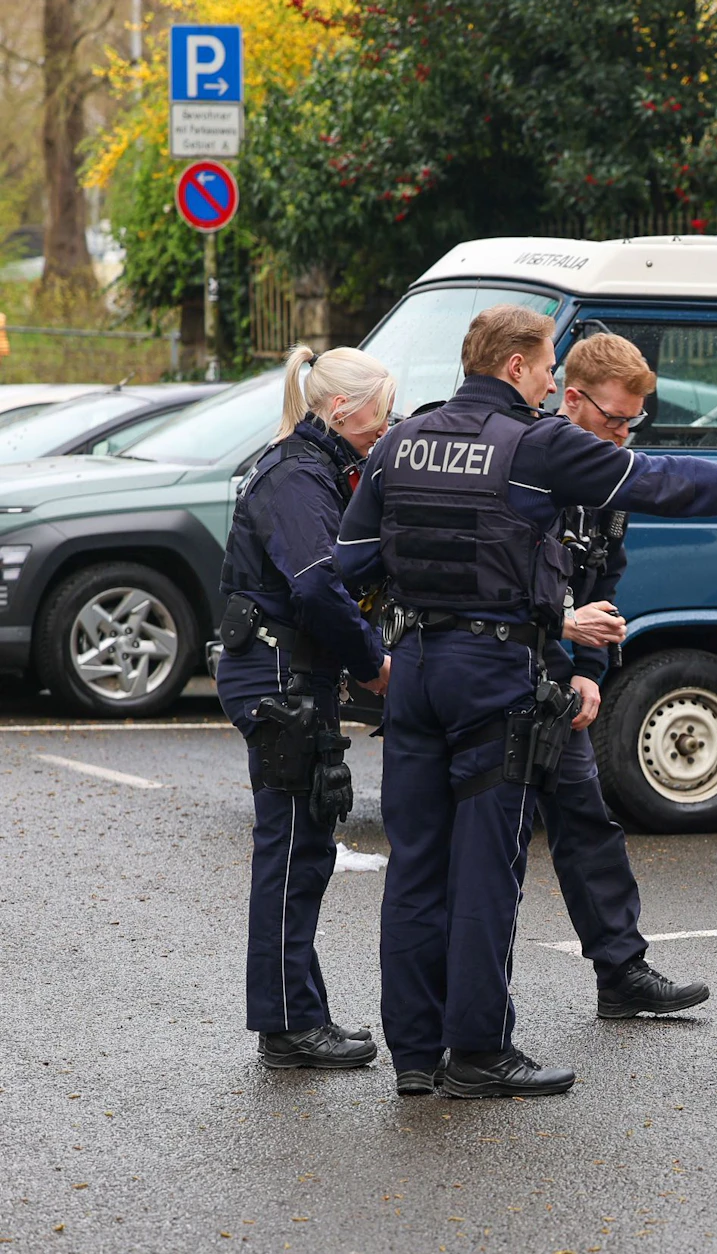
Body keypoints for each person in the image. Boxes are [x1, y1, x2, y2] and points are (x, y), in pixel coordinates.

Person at [337, 305, 717, 1099]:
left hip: (416, 669)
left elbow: (351, 559)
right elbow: (670, 481)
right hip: (491, 674)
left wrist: (393, 636)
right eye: (544, 368)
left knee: (416, 868)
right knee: (486, 871)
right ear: (512, 368)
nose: (550, 381)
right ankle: (478, 1053)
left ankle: (414, 1057)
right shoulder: (534, 445)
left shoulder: (402, 440)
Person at [217, 345, 395, 1070]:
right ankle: (289, 1025)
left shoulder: (306, 463)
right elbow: (318, 585)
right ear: (342, 410)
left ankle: (297, 1014)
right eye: (379, 416)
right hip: (281, 677)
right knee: (294, 851)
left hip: (279, 671)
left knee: (302, 847)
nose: (385, 430)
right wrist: (374, 662)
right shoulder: (297, 474)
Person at [542, 332, 717, 1019]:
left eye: (633, 423)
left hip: (561, 682)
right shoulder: (535, 463)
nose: (623, 436)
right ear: (573, 399)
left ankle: (622, 973)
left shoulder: (608, 478)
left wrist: (588, 672)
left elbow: (603, 580)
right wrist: (564, 628)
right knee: (480, 857)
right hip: (501, 674)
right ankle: (469, 1021)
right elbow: (504, 585)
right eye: (614, 419)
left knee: (589, 825)